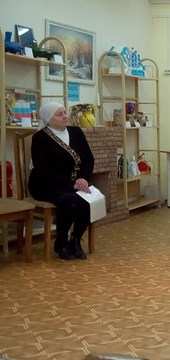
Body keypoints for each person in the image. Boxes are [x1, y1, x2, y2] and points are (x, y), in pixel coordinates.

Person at [28, 101, 94, 260]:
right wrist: (72, 185)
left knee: (88, 201)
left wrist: (83, 178)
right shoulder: (40, 138)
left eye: (65, 112)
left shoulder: (76, 132)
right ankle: (61, 242)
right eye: (59, 114)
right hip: (46, 184)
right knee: (71, 201)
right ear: (49, 118)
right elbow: (43, 170)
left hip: (75, 183)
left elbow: (89, 159)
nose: (65, 116)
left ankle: (75, 240)